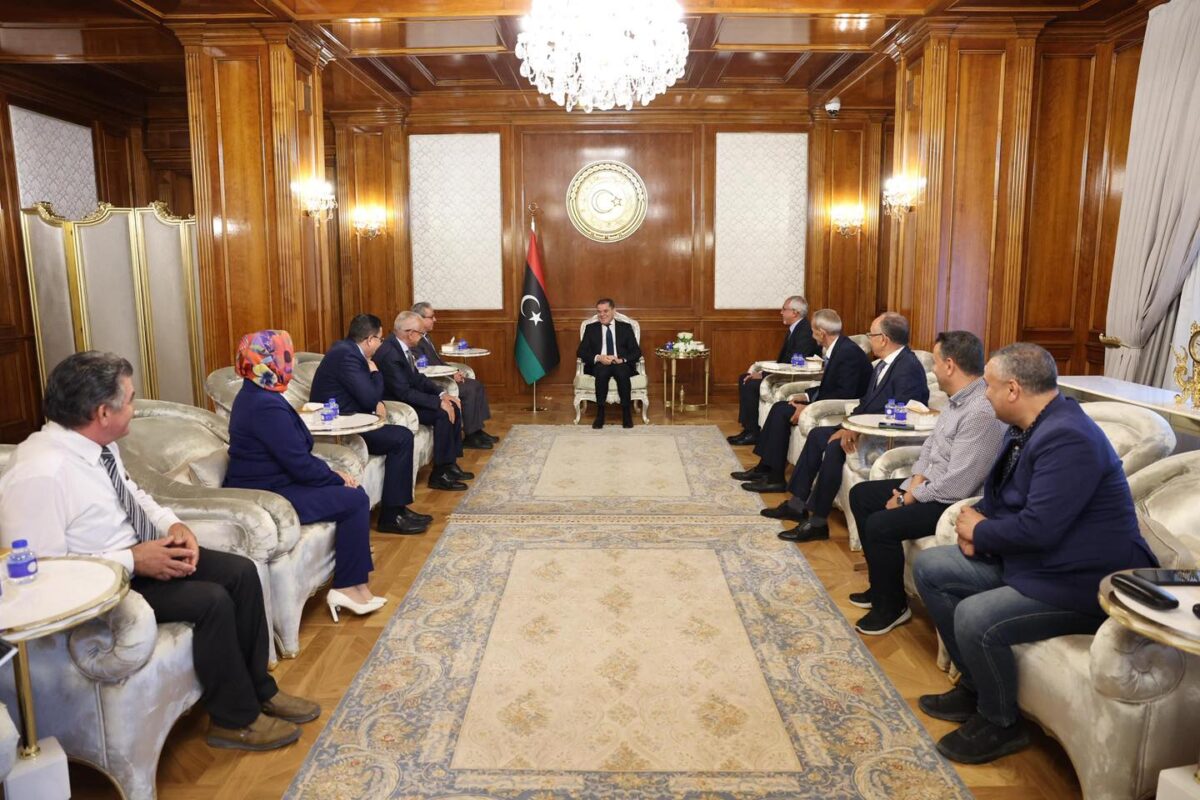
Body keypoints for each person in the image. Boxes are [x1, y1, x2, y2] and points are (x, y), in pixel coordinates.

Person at [0, 351, 320, 752]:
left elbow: (133, 494)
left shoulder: (97, 446)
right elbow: (41, 573)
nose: (135, 410)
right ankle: (234, 721)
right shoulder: (40, 472)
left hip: (138, 558)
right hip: (105, 587)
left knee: (241, 573)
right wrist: (133, 559)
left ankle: (261, 690)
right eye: (130, 400)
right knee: (212, 601)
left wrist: (172, 525)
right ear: (103, 412)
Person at [913, 343, 1158, 764]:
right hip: (1038, 562)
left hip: (1083, 580)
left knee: (974, 617)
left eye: (989, 386)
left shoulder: (1069, 438)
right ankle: (976, 687)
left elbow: (1040, 528)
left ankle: (1001, 723)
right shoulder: (1027, 426)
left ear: (1013, 389)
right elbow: (1003, 497)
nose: (984, 394)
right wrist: (976, 525)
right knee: (931, 567)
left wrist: (982, 532)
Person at [844, 331, 1005, 635]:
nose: (933, 369)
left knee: (880, 524)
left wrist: (908, 498)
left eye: (936, 362)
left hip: (952, 502)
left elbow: (958, 484)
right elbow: (930, 448)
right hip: (930, 486)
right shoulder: (957, 401)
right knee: (862, 495)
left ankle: (892, 608)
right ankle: (882, 589)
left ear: (950, 365)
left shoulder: (980, 411)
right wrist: (912, 485)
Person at [222, 330, 386, 623]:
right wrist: (335, 477)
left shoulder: (260, 393)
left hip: (278, 482)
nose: (291, 362)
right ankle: (347, 587)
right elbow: (297, 462)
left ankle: (356, 584)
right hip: (267, 494)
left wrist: (333, 474)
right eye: (286, 355)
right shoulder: (264, 403)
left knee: (354, 496)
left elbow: (293, 456)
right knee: (354, 499)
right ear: (269, 360)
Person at [758, 312, 929, 544]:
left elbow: (899, 413)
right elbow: (865, 403)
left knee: (835, 446)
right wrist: (846, 425)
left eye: (871, 334)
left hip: (885, 436)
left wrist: (855, 430)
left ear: (884, 339)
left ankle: (818, 522)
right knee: (818, 435)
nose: (868, 338)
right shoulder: (884, 364)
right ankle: (797, 505)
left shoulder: (908, 368)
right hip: (863, 425)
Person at [308, 314, 432, 535]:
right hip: (342, 427)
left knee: (401, 435)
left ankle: (399, 509)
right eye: (380, 339)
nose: (381, 344)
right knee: (401, 438)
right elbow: (370, 397)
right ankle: (391, 516)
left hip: (354, 420)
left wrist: (376, 400)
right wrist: (375, 373)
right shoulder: (347, 356)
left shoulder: (347, 351)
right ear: (369, 339)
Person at [733, 308, 872, 490]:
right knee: (780, 407)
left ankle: (775, 478)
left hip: (840, 408)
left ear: (821, 333)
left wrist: (808, 407)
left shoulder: (847, 353)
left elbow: (845, 393)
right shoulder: (839, 347)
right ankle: (765, 469)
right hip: (826, 400)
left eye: (813, 331)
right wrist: (805, 395)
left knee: (782, 411)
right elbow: (830, 386)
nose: (812, 335)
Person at [376, 311, 473, 491]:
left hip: (409, 398)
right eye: (421, 333)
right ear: (411, 334)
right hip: (399, 405)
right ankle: (439, 475)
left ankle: (449, 465)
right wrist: (437, 403)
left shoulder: (401, 347)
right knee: (442, 413)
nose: (423, 337)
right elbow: (403, 392)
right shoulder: (389, 353)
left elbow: (418, 378)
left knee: (452, 404)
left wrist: (442, 394)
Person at [727, 295, 821, 446]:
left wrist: (764, 375)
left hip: (794, 378)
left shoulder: (805, 331)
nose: (781, 312)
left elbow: (794, 362)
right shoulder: (795, 328)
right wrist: (762, 373)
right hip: (785, 373)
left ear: (795, 312)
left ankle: (753, 433)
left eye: (784, 309)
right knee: (744, 377)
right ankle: (748, 429)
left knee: (750, 384)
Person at [411, 301, 497, 449]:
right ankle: (470, 436)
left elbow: (438, 361)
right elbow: (426, 368)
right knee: (469, 389)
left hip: (444, 376)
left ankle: (477, 430)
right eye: (431, 317)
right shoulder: (415, 341)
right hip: (435, 382)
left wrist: (454, 371)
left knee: (476, 385)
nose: (435, 319)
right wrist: (450, 376)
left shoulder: (426, 337)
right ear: (419, 318)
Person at [577, 298, 642, 429]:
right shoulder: (591, 328)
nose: (602, 314)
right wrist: (598, 357)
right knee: (602, 372)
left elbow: (636, 351)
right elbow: (581, 351)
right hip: (600, 364)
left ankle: (626, 413)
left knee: (622, 372)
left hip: (620, 362)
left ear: (613, 311)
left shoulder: (625, 327)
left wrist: (622, 359)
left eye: (605, 311)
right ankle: (600, 414)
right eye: (599, 311)